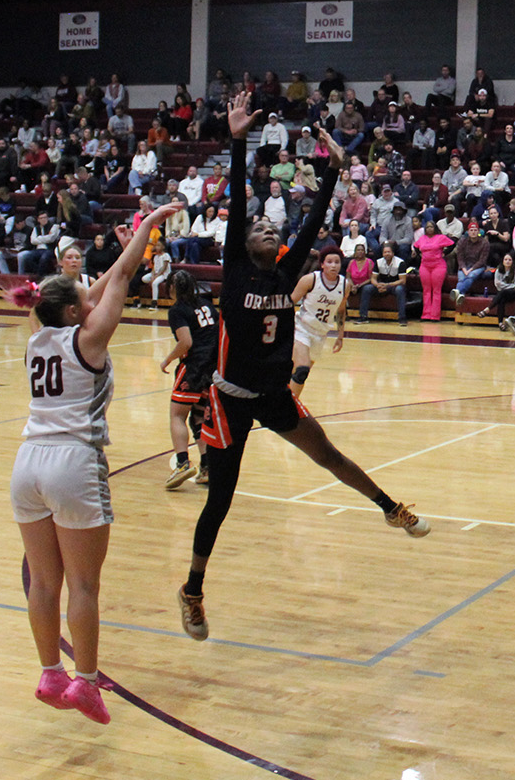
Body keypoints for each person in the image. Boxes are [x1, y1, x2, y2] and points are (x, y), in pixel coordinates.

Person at [178, 97, 427, 644]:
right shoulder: (238, 272)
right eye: (261, 229)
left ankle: (390, 509)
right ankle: (193, 589)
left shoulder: (288, 268)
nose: (270, 230)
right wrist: (239, 140)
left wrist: (337, 170)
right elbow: (243, 208)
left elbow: (314, 220)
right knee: (220, 498)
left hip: (273, 395)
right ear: (244, 245)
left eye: (274, 229)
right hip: (228, 399)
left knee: (329, 454)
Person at [8, 199, 180, 725]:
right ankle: (84, 681)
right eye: (86, 297)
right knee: (83, 585)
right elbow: (122, 274)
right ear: (74, 311)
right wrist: (147, 230)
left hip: (26, 463)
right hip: (72, 463)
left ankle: (49, 672)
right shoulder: (90, 340)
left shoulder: (39, 338)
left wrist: (102, 272)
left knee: (43, 580)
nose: (94, 296)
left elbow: (100, 282)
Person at [158, 269, 218, 490]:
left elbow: (186, 342)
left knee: (177, 415)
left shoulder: (178, 310)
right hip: (213, 367)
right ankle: (207, 466)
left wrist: (167, 360)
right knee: (199, 417)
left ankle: (182, 463)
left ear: (171, 288)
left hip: (194, 366)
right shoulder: (206, 304)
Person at [289, 250, 349, 400]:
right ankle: (290, 408)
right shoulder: (310, 280)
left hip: (321, 334)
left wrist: (340, 335)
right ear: (322, 264)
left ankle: (285, 401)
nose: (333, 265)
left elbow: (341, 311)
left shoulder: (344, 285)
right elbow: (289, 303)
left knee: (298, 374)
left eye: (337, 262)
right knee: (301, 370)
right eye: (329, 262)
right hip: (301, 329)